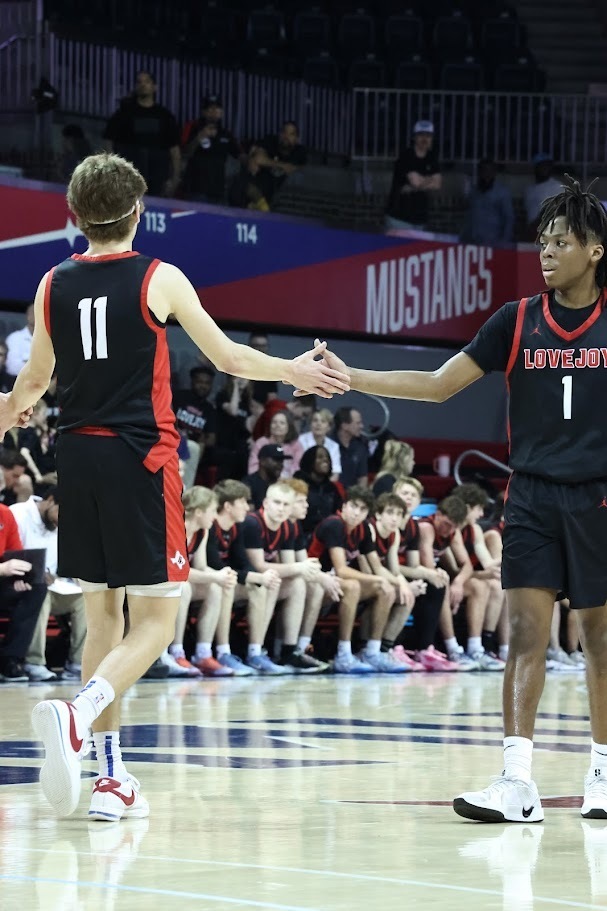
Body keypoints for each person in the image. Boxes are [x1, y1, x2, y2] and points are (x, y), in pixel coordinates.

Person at [0, 151, 348, 822]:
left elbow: (34, 384)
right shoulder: (159, 276)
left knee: (105, 619)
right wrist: (292, 370)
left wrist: (10, 410)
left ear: (74, 215)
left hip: (77, 457)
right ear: (139, 212)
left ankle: (111, 777)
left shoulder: (50, 283)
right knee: (158, 621)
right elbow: (228, 357)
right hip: (141, 458)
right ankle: (77, 716)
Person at [312, 177, 607, 823]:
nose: (546, 252)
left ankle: (603, 775)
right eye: (543, 241)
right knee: (524, 634)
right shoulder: (516, 319)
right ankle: (517, 782)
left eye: (561, 242)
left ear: (595, 250)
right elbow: (437, 384)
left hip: (599, 498)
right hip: (530, 496)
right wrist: (349, 376)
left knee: (599, 640)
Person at [308, 485, 396, 673]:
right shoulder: (334, 524)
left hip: (335, 585)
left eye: (363, 509)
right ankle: (343, 654)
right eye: (354, 506)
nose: (357, 513)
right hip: (314, 582)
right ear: (344, 506)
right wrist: (375, 579)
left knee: (385, 590)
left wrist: (399, 584)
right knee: (353, 586)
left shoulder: (363, 529)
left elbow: (377, 567)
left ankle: (372, 651)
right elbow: (341, 570)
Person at [243, 481, 325, 673]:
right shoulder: (253, 523)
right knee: (272, 581)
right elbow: (259, 566)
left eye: (286, 504)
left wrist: (308, 569)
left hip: (260, 580)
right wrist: (299, 567)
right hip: (241, 577)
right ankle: (255, 652)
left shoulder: (288, 526)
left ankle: (290, 651)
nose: (281, 508)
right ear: (266, 503)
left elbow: (290, 568)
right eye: (277, 503)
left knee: (296, 583)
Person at [11, 487, 86, 683]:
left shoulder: (62, 524)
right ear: (51, 500)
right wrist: (35, 572)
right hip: (20, 585)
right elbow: (10, 552)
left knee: (87, 598)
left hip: (55, 586)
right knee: (40, 593)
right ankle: (33, 662)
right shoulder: (18, 514)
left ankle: (78, 662)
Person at [207, 479, 280, 675]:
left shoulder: (236, 527)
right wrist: (255, 576)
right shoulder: (210, 526)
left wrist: (259, 578)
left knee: (258, 588)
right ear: (228, 506)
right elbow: (215, 565)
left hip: (226, 578)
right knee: (228, 584)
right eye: (242, 502)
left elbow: (242, 562)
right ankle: (223, 653)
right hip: (208, 580)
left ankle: (255, 652)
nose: (247, 508)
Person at [167, 485, 236, 678]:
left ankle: (203, 653)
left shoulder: (202, 532)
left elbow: (202, 566)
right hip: (161, 582)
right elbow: (178, 572)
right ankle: (176, 652)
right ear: (198, 512)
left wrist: (222, 574)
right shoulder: (175, 528)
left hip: (179, 580)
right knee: (185, 587)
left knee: (215, 588)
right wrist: (215, 576)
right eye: (212, 510)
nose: (215, 516)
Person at [104, 71, 181, 197]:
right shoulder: (124, 113)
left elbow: (174, 150)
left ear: (154, 87)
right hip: (129, 178)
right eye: (139, 82)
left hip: (157, 178)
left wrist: (174, 179)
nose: (143, 85)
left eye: (147, 81)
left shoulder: (165, 116)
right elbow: (108, 141)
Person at [0, 497, 46, 681]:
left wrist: (19, 577)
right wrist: (2, 569)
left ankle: (11, 659)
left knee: (36, 588)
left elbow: (15, 552)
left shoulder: (5, 513)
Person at [385, 120, 441, 231]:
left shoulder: (432, 158)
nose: (425, 139)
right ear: (414, 137)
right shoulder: (406, 156)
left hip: (420, 219)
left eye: (428, 135)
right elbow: (416, 182)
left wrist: (413, 187)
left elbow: (437, 184)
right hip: (399, 218)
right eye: (421, 135)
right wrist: (429, 179)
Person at [460, 159, 514, 248]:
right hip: (472, 242)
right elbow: (469, 215)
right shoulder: (474, 191)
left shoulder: (502, 192)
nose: (486, 173)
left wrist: (504, 241)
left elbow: (509, 218)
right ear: (479, 172)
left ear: (494, 173)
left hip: (493, 242)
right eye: (483, 170)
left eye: (489, 170)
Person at [294, 445, 343, 538]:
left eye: (327, 457)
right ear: (310, 460)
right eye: (320, 457)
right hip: (300, 535)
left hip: (326, 536)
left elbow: (338, 513)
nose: (325, 460)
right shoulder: (297, 484)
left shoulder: (332, 488)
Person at [248, 410, 304, 478]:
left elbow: (297, 468)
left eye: (282, 423)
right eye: (274, 422)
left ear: (289, 427)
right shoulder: (261, 442)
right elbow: (253, 466)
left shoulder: (296, 445)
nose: (277, 425)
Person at [524, 153, 562, 239]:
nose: (545, 169)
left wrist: (535, 225)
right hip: (531, 234)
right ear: (535, 168)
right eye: (541, 166)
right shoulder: (529, 189)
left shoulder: (557, 187)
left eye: (547, 166)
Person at [298, 408, 341, 479]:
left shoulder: (334, 446)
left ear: (329, 427)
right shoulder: (300, 441)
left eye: (323, 421)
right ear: (310, 424)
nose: (318, 424)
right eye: (315, 420)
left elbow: (335, 473)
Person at [244, 443, 290, 509]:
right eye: (276, 460)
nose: (280, 464)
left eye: (282, 461)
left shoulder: (283, 485)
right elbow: (248, 512)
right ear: (262, 461)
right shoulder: (248, 484)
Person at [333, 406, 368, 488]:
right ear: (344, 426)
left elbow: (362, 477)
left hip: (352, 493)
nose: (362, 426)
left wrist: (359, 494)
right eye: (358, 423)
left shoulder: (360, 446)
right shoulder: (328, 444)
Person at [5, 304, 35, 381]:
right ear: (28, 316)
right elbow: (12, 367)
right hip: (17, 383)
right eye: (34, 312)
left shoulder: (50, 340)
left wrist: (27, 362)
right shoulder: (15, 338)